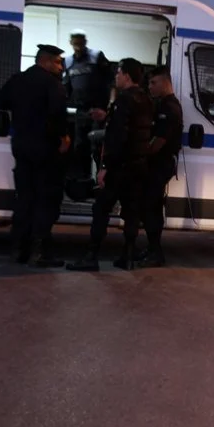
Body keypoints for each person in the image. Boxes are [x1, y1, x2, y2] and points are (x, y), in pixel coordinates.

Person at [67, 57, 154, 272]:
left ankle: (91, 256)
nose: (116, 76)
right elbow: (135, 128)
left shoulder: (123, 100)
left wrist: (105, 167)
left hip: (120, 167)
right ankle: (128, 257)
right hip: (138, 165)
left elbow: (117, 138)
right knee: (131, 212)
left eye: (119, 72)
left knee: (101, 209)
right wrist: (108, 116)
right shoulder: (146, 100)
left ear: (126, 75)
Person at [0, 44, 70, 267]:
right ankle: (40, 252)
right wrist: (64, 137)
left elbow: (0, 100)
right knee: (45, 199)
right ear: (44, 61)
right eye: (57, 62)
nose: (60, 67)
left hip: (21, 146)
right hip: (44, 149)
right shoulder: (52, 84)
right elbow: (57, 114)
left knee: (24, 198)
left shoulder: (18, 80)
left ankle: (18, 250)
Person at [139, 66, 184, 268]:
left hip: (160, 163)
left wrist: (140, 153)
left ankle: (155, 252)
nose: (150, 87)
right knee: (151, 206)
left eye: (153, 83)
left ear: (166, 83)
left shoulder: (169, 108)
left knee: (152, 207)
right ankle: (151, 249)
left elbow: (159, 141)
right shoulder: (163, 104)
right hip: (158, 163)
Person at [62, 29, 112, 181]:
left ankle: (100, 179)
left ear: (85, 41)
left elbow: (111, 80)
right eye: (75, 41)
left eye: (81, 41)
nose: (78, 45)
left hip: (98, 109)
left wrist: (108, 106)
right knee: (80, 147)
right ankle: (84, 180)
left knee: (97, 146)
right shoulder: (68, 62)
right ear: (71, 42)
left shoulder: (96, 56)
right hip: (80, 111)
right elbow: (66, 86)